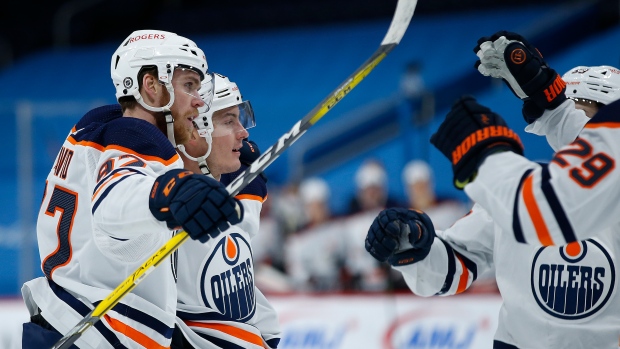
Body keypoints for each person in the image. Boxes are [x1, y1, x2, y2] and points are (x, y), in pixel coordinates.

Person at [365, 30, 620, 349]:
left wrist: (488, 157)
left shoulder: (522, 189)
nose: (577, 118)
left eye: (584, 107)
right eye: (571, 105)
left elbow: (565, 199)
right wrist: (413, 243)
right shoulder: (524, 184)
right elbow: (456, 265)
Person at [20, 30, 243, 348]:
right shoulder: (138, 136)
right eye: (189, 85)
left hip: (65, 325)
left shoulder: (94, 128)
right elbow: (115, 200)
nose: (199, 100)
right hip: (99, 335)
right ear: (152, 87)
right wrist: (167, 193)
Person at [172, 73, 281, 349]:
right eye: (229, 121)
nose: (244, 133)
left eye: (240, 119)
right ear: (195, 128)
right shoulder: (160, 215)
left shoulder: (244, 186)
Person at [284, 177, 346, 291]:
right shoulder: (296, 241)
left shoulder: (339, 229)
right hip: (310, 297)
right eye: (313, 205)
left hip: (337, 293)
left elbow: (348, 262)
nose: (318, 210)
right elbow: (297, 274)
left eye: (321, 205)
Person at [401, 159, 469, 230]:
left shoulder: (451, 209)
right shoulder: (403, 220)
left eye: (423, 185)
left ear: (431, 184)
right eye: (415, 187)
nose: (420, 191)